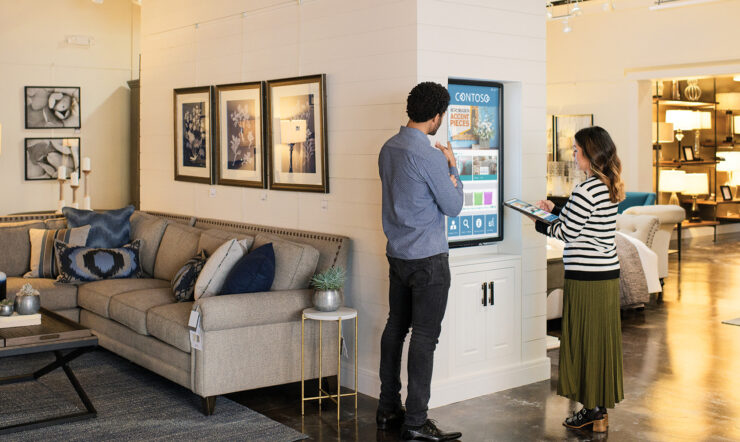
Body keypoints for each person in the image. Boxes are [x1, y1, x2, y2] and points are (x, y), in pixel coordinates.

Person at [376, 82, 464, 442]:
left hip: (397, 255)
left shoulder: (388, 148)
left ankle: (387, 408)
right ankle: (415, 421)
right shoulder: (428, 155)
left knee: (396, 327)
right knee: (425, 338)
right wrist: (453, 167)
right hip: (428, 260)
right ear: (437, 116)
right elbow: (454, 206)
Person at [532, 126, 625, 433]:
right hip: (606, 274)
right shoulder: (606, 185)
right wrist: (556, 210)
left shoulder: (586, 190)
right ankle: (597, 411)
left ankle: (593, 411)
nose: (572, 155)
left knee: (584, 342)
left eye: (575, 150)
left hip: (586, 278)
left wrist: (539, 222)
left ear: (589, 153)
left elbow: (568, 233)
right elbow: (583, 222)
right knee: (599, 342)